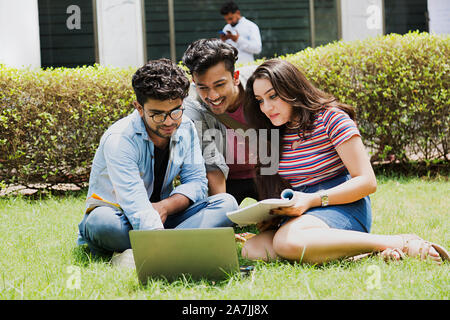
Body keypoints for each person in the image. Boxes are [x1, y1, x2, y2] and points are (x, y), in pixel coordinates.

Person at [241, 58, 449, 265]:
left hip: (342, 204)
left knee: (289, 242)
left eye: (273, 96)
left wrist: (312, 200)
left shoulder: (331, 118)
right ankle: (362, 252)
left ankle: (400, 241)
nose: (266, 107)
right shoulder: (273, 134)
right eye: (260, 100)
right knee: (252, 249)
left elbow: (367, 181)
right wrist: (272, 215)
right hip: (300, 215)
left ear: (292, 89)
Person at [77, 58, 237, 259]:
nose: (169, 121)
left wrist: (165, 207)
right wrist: (156, 226)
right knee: (102, 224)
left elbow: (197, 183)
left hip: (163, 216)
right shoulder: (119, 140)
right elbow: (135, 204)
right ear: (139, 107)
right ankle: (178, 247)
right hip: (122, 216)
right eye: (157, 114)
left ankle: (140, 252)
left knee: (226, 204)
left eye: (175, 111)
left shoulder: (186, 126)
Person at [182, 38, 259, 205]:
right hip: (229, 180)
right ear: (194, 83)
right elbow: (212, 164)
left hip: (269, 173)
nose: (213, 96)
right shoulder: (192, 107)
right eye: (203, 87)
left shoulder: (260, 85)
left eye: (220, 85)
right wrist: (221, 212)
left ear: (235, 77)